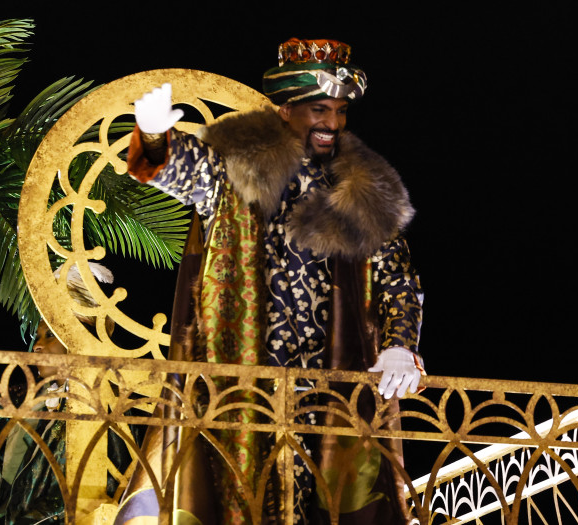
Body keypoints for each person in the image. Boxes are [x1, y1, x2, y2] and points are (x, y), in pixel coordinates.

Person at [117, 38, 424, 525]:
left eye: (340, 111)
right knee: (234, 502)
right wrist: (154, 136)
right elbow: (174, 170)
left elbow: (398, 281)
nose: (332, 123)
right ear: (285, 109)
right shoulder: (235, 167)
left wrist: (400, 346)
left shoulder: (363, 191)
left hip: (328, 393)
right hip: (240, 384)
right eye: (319, 109)